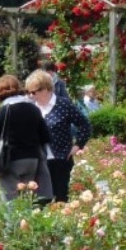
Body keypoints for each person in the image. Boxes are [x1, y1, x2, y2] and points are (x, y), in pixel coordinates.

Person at [26, 69, 91, 203]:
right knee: (39, 202)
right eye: (29, 92)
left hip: (60, 160)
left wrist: (77, 146)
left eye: (34, 92)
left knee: (60, 199)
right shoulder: (30, 107)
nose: (31, 96)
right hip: (37, 162)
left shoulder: (63, 104)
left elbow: (85, 125)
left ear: (45, 89)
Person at [0, 74, 52, 203]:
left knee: (10, 201)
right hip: (32, 160)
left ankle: (12, 218)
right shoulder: (34, 108)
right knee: (26, 199)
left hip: (11, 160)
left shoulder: (6, 109)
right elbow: (46, 136)